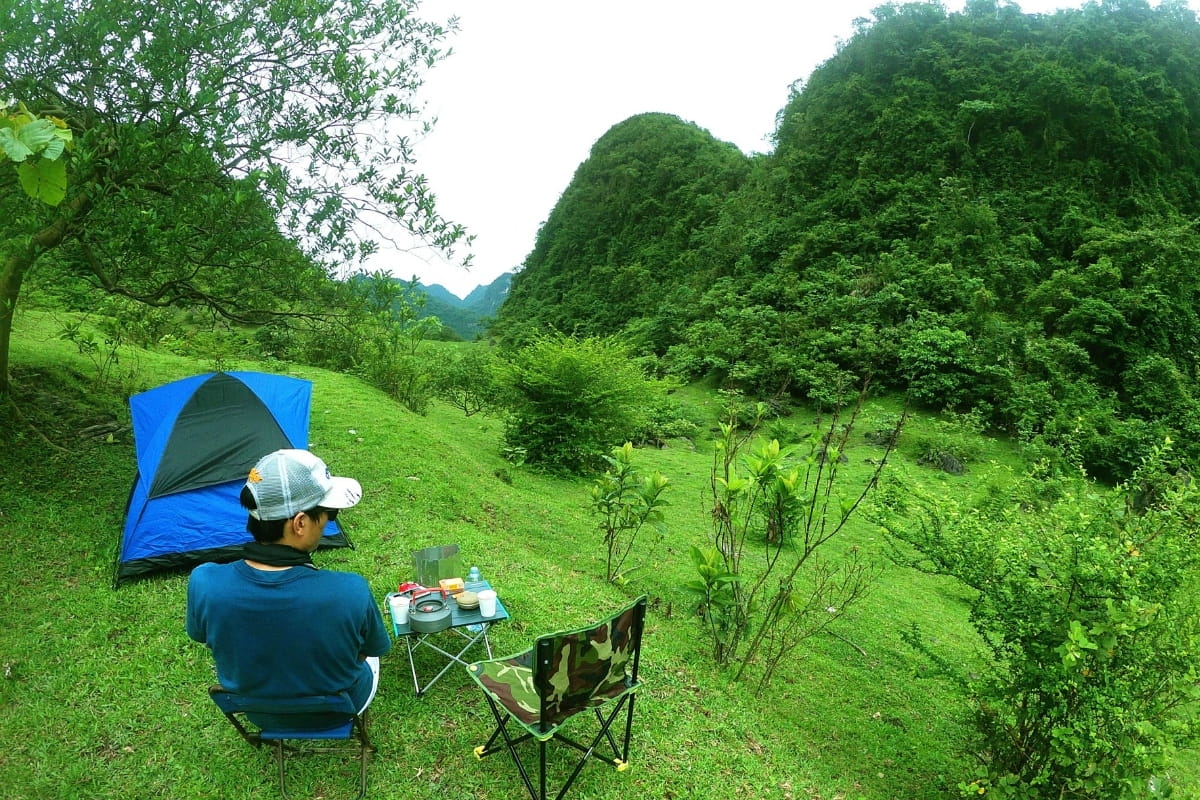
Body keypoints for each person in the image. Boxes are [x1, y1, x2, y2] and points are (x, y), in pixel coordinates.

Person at [186, 448, 391, 718]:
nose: (330, 520)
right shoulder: (350, 590)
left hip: (259, 713)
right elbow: (373, 649)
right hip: (338, 710)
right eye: (330, 513)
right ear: (300, 523)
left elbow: (200, 635)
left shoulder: (205, 582)